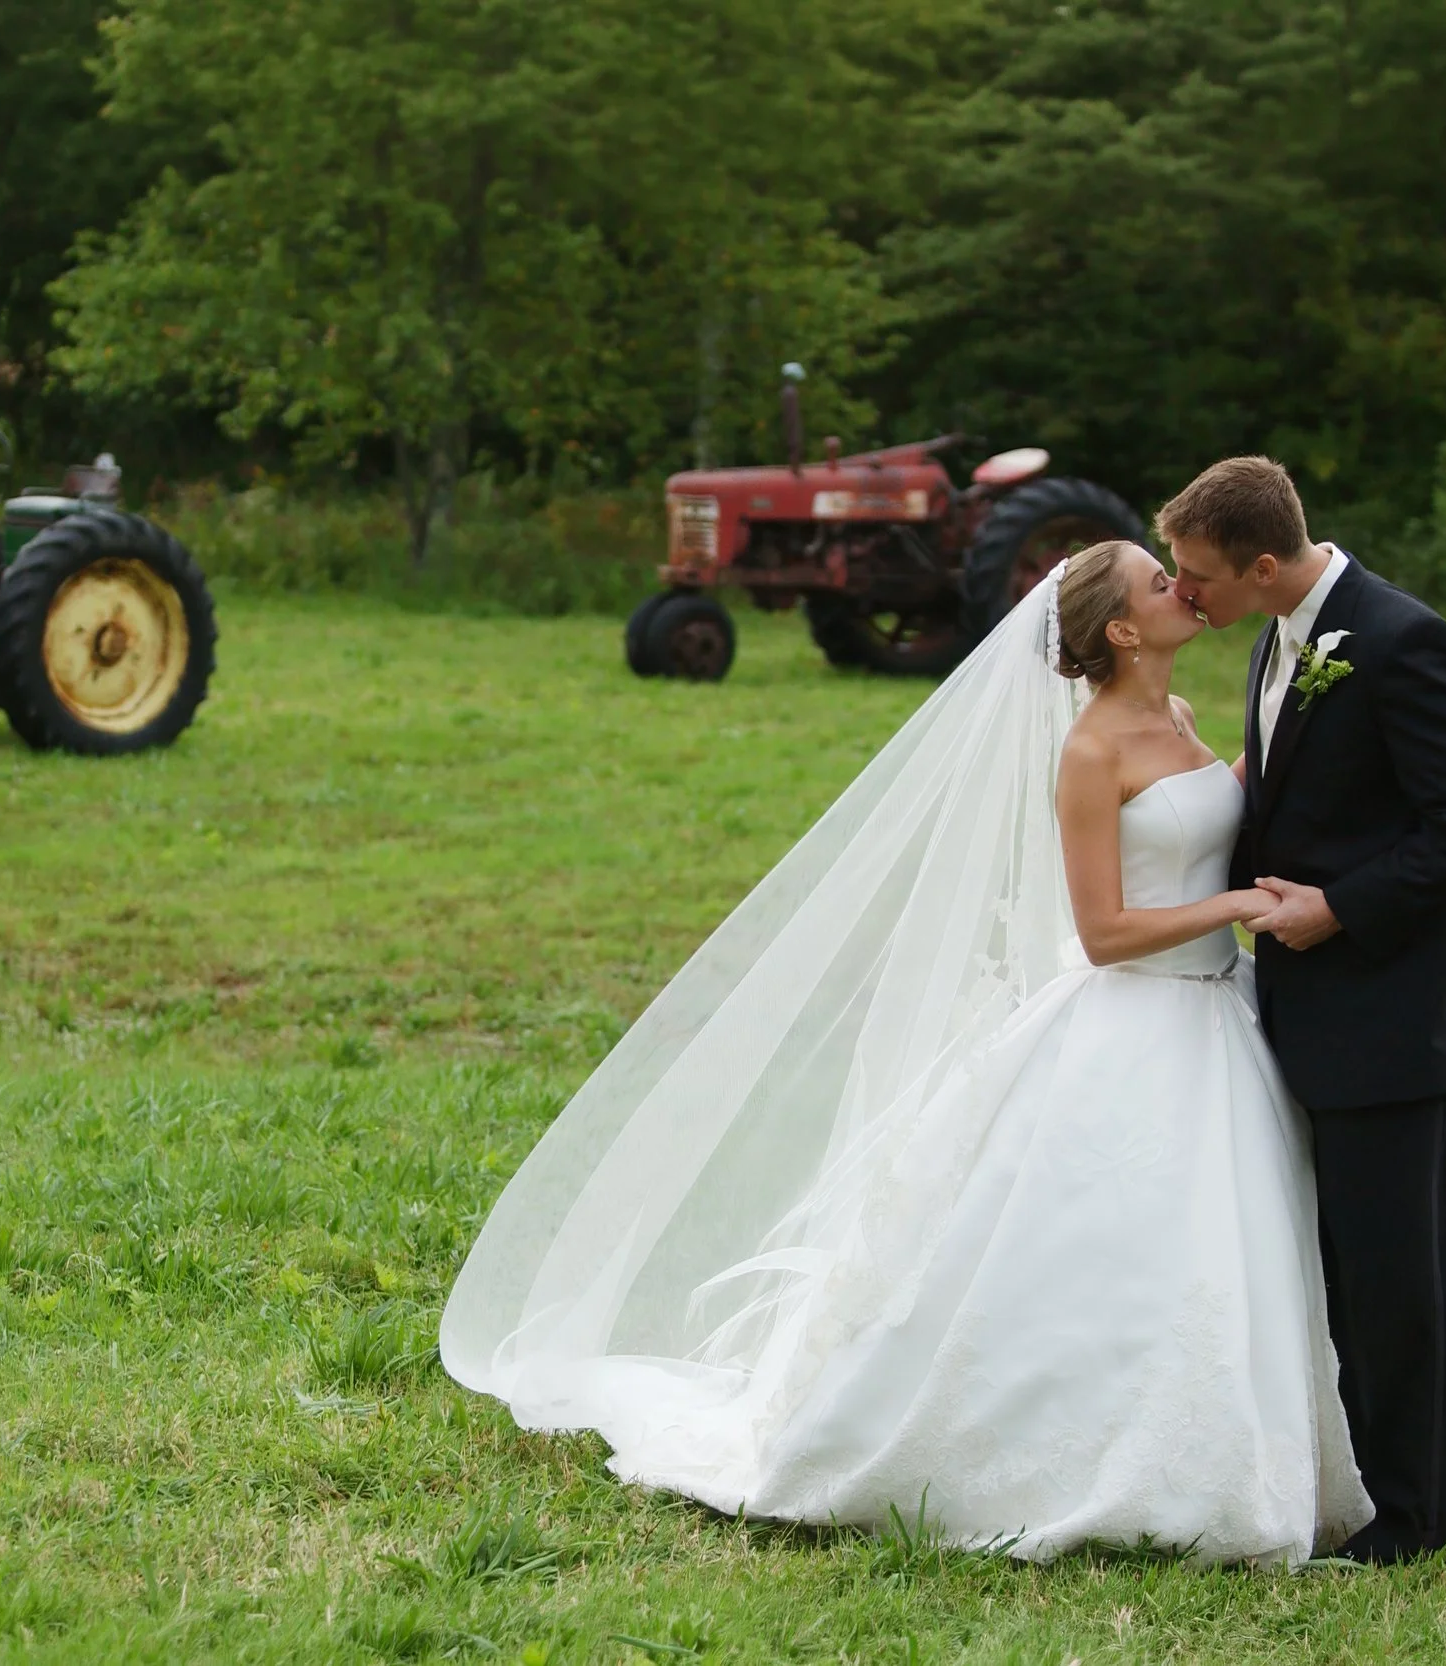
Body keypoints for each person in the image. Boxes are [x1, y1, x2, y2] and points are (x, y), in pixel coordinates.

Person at [441, 542, 1373, 1568]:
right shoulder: (1092, 750)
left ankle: (1216, 1454)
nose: (1180, 589)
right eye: (1159, 583)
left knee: (1215, 1250)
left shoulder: (1184, 718)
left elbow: (1217, 809)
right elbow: (1103, 930)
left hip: (1212, 1020)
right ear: (1118, 630)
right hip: (1133, 1013)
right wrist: (1239, 904)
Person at [1160, 457, 1446, 1564]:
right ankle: (1372, 1497)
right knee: (1348, 1277)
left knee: (1399, 1282)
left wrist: (1339, 907)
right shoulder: (1281, 635)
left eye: (1197, 576)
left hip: (1394, 1022)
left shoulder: (1403, 641)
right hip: (1308, 1017)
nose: (1187, 597)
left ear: (1261, 565)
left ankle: (1418, 1525)